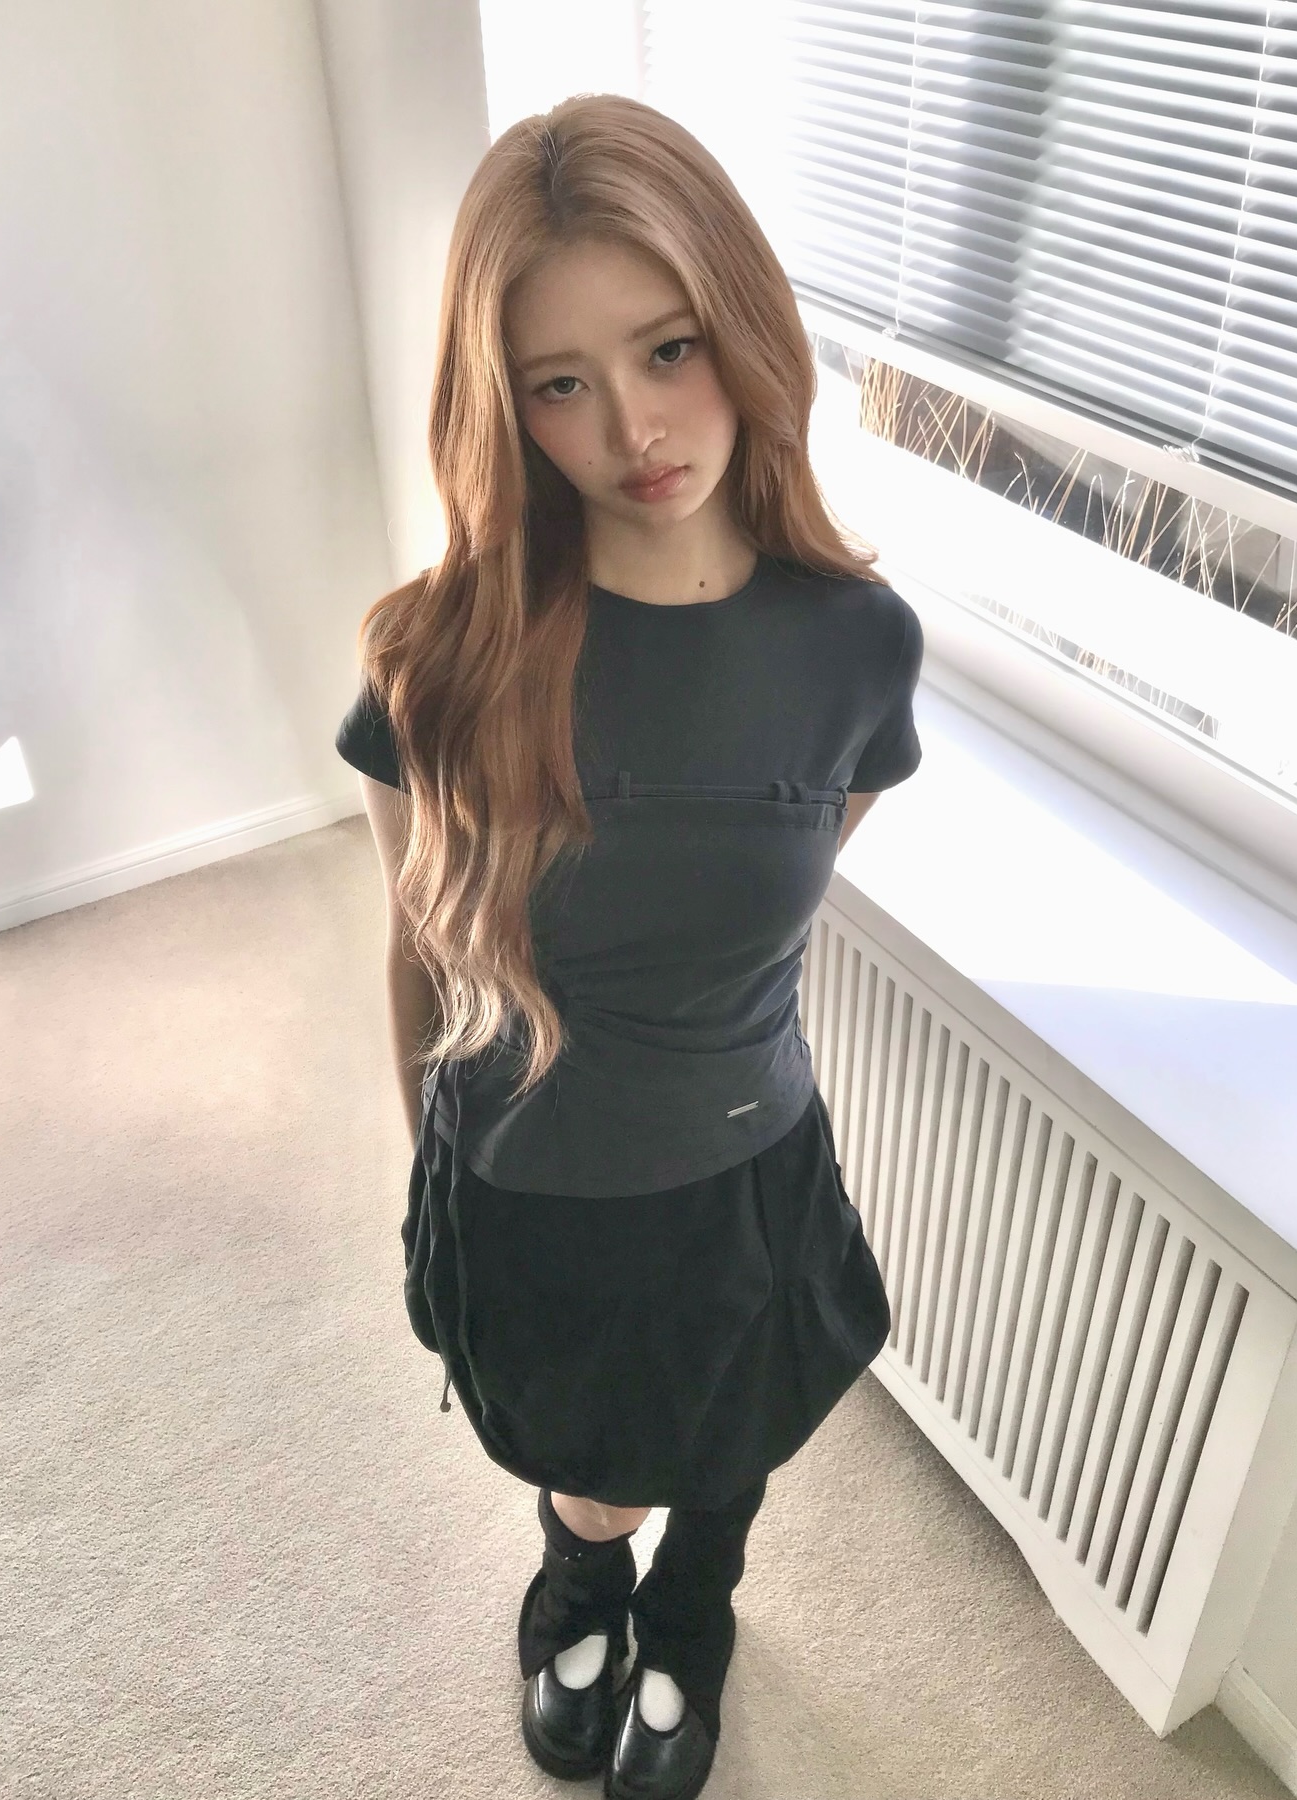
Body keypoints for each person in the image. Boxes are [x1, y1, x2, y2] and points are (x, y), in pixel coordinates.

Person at [336, 92, 924, 1800]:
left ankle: (696, 1610)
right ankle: (584, 1579)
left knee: (730, 1434)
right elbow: (416, 953)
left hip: (740, 1167)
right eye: (560, 384)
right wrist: (436, 1167)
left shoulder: (858, 646)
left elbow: (763, 917)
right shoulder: (436, 658)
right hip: (524, 1170)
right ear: (503, 404)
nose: (635, 428)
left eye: (668, 349)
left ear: (740, 321)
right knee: (588, 1461)